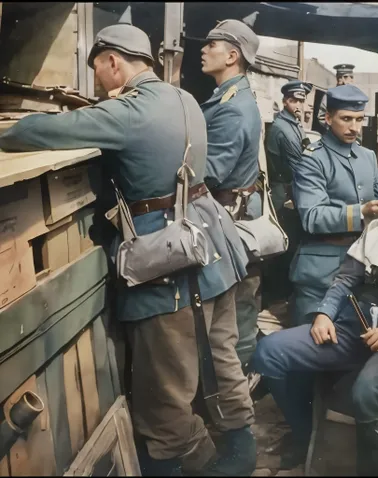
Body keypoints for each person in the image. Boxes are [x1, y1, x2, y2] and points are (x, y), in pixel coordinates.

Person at [0, 23, 256, 477]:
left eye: (98, 69)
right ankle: (241, 450)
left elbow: (39, 133)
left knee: (164, 390)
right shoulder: (186, 99)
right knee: (222, 357)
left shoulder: (129, 111)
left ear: (114, 62)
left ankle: (185, 466)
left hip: (166, 262)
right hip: (214, 247)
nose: (98, 80)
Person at [252, 156, 378, 475]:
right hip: (352, 330)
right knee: (270, 352)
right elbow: (347, 278)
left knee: (370, 390)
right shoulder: (377, 227)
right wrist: (324, 315)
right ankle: (306, 434)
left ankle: (371, 469)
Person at [289, 84, 378, 326]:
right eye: (346, 119)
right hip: (320, 272)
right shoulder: (313, 159)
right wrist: (362, 212)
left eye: (359, 119)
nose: (354, 127)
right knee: (309, 344)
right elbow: (312, 217)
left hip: (360, 268)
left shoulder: (368, 156)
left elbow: (377, 204)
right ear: (327, 118)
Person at [200, 19, 263, 369]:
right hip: (234, 212)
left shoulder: (233, 106)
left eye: (212, 45)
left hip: (229, 215)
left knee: (235, 309)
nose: (204, 50)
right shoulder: (229, 97)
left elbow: (211, 171)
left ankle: (239, 390)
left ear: (232, 55)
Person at [262, 80, 312, 307]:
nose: (299, 105)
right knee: (283, 248)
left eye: (302, 100)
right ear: (285, 101)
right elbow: (299, 167)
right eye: (294, 100)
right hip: (283, 193)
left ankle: (279, 296)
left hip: (288, 189)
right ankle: (276, 299)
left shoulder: (294, 123)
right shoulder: (284, 128)